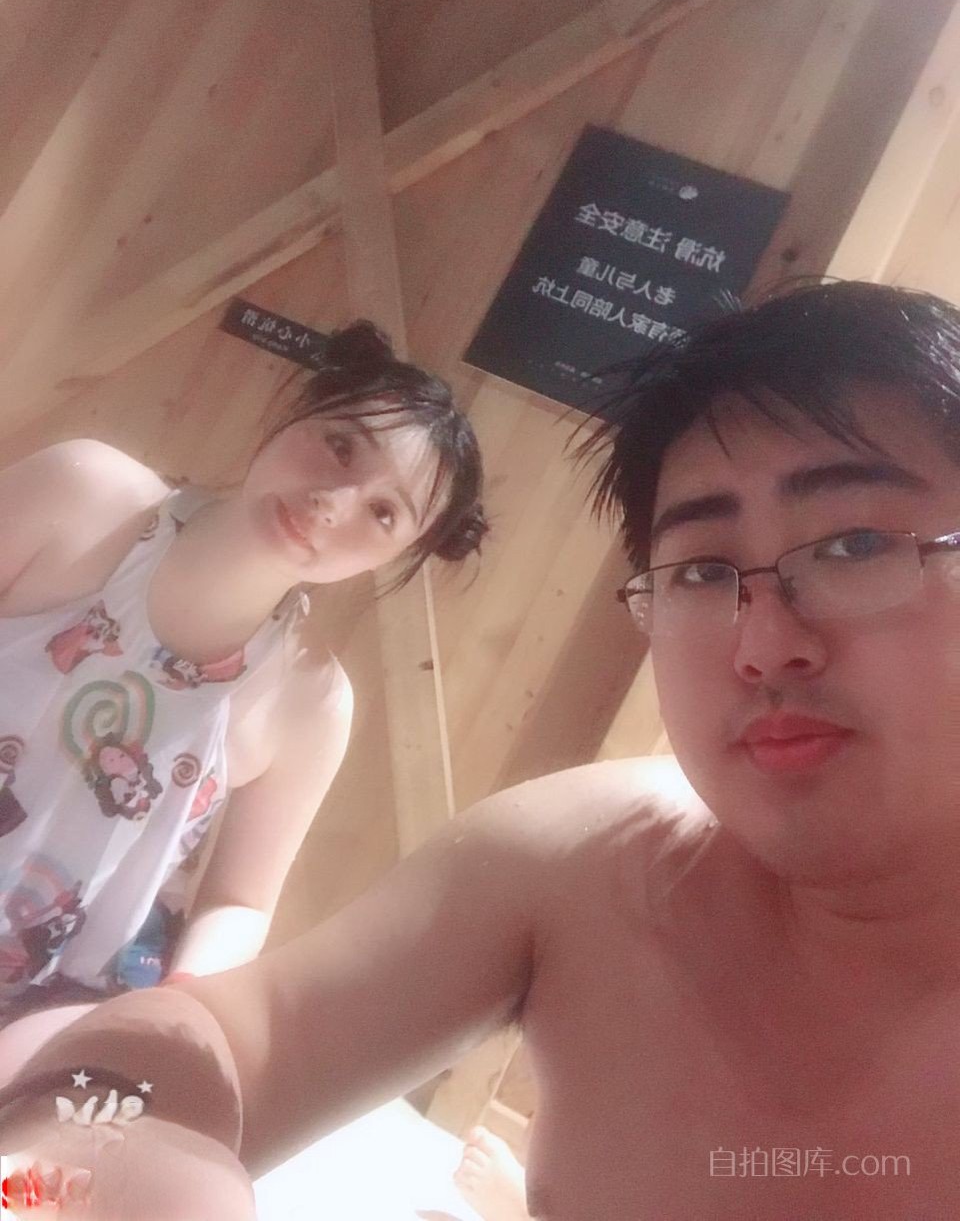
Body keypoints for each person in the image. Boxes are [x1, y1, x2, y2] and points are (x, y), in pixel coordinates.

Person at [4, 279, 959, 1218]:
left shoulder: (310, 699)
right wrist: (96, 1135)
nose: (762, 645)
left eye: (857, 544)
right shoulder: (585, 855)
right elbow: (224, 1036)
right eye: (704, 570)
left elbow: (238, 904)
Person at [0, 318, 487, 1042]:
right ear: (299, 410)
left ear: (395, 555)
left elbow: (239, 902)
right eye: (342, 445)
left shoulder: (312, 703)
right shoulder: (82, 492)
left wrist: (179, 1005)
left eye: (384, 512)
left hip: (42, 1010)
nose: (335, 501)